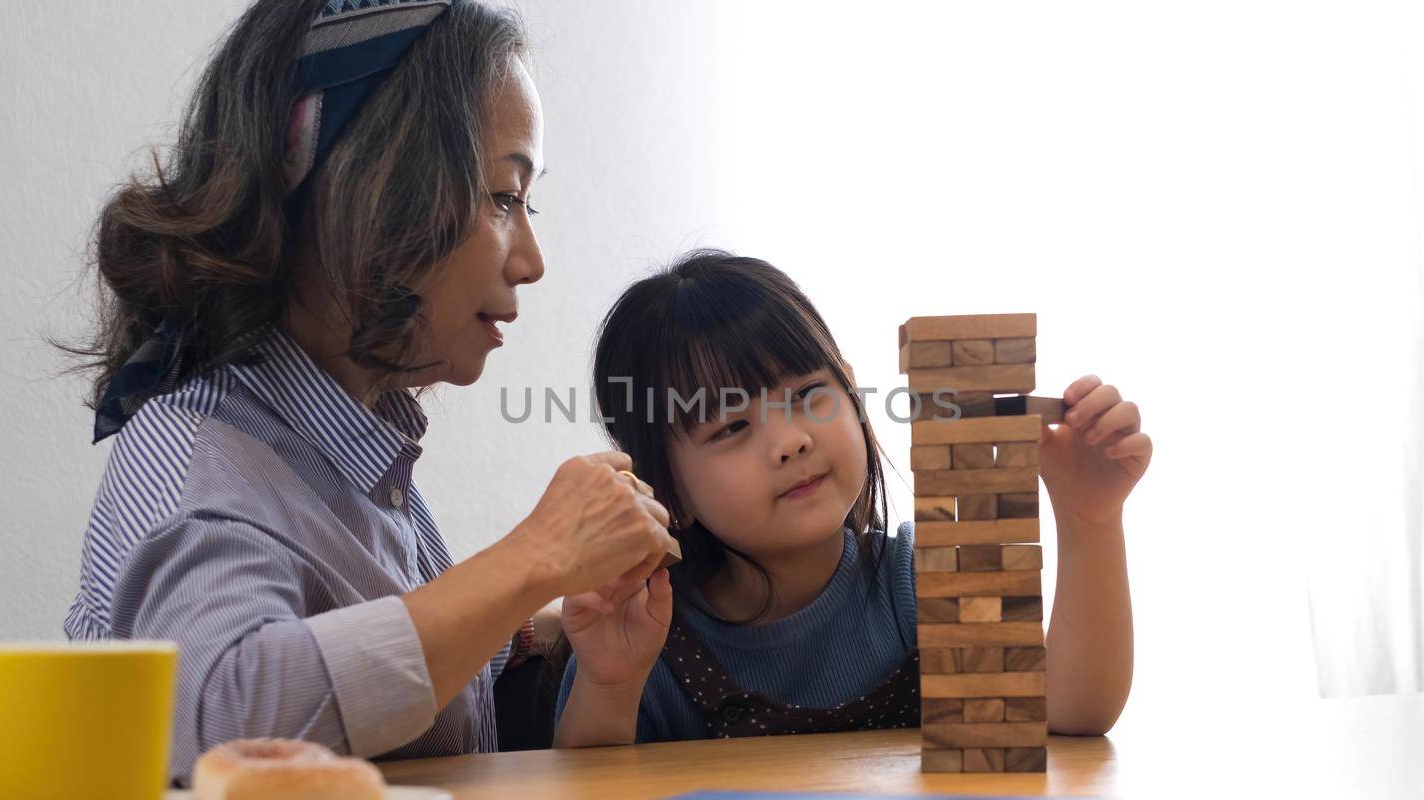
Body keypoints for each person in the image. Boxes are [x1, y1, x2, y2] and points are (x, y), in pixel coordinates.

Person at [63, 0, 672, 780]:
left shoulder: (368, 460)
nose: (531, 261)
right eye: (502, 197)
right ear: (376, 184)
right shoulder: (196, 447)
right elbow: (221, 723)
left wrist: (545, 632)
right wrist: (535, 556)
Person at [553, 251, 1149, 744]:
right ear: (669, 489)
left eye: (809, 393)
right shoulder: (645, 630)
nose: (790, 441)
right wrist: (610, 685)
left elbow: (1072, 714)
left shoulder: (917, 578)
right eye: (731, 427)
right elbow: (581, 787)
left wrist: (1088, 518)